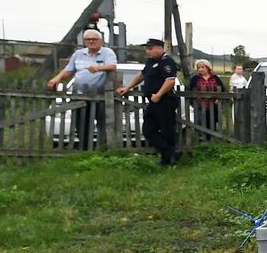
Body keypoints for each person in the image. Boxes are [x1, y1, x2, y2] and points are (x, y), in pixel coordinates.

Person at [47, 28, 116, 150]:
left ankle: (103, 149)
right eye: (88, 39)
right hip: (80, 95)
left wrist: (98, 68)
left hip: (100, 96)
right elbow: (69, 70)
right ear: (84, 41)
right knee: (82, 124)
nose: (91, 41)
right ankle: (85, 149)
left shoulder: (107, 52)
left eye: (94, 39)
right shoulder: (78, 54)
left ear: (101, 41)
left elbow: (112, 66)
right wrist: (56, 79)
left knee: (103, 125)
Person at [117, 38, 181, 166]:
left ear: (160, 48)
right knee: (148, 130)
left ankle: (166, 160)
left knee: (166, 130)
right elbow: (141, 75)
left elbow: (170, 80)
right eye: (147, 49)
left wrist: (159, 94)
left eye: (150, 48)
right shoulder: (151, 62)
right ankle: (171, 152)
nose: (147, 51)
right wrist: (127, 87)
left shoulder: (166, 61)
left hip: (164, 100)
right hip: (154, 102)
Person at [189, 59, 225, 137]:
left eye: (203, 67)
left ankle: (211, 138)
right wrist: (191, 102)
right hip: (199, 105)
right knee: (200, 122)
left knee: (211, 122)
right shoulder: (194, 79)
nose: (200, 69)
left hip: (212, 105)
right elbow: (189, 91)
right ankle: (200, 138)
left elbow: (222, 89)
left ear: (208, 67)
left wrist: (219, 98)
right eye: (199, 68)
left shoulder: (215, 78)